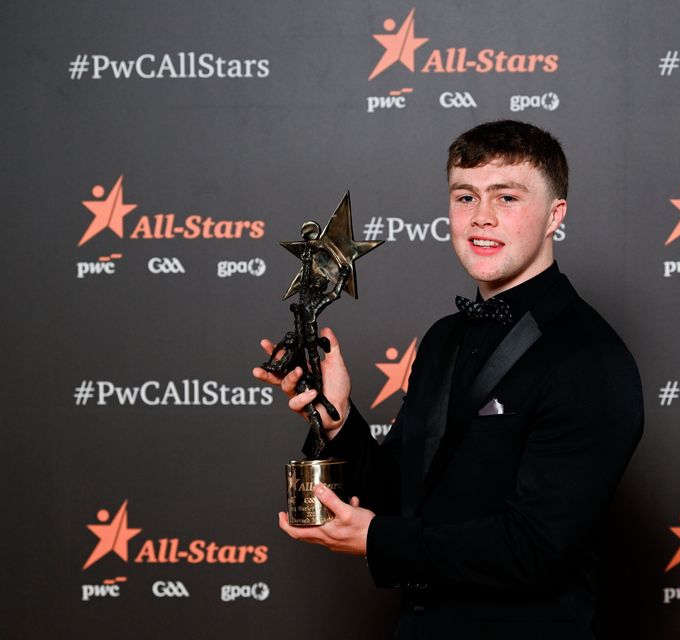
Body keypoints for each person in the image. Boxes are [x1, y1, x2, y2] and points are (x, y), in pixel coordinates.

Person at [253, 120, 643, 639]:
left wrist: (378, 541)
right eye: (465, 197)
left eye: (507, 197)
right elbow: (405, 499)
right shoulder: (444, 338)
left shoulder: (591, 358)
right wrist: (339, 417)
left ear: (556, 215)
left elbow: (536, 548)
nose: (481, 218)